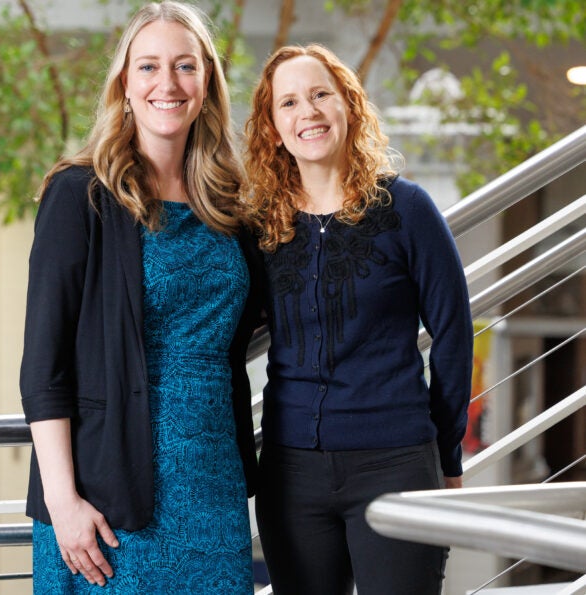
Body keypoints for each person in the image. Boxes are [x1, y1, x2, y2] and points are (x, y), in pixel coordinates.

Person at [19, 2, 263, 592]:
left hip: (213, 487)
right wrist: (63, 501)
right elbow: (43, 367)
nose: (167, 83)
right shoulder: (80, 196)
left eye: (185, 66)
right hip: (107, 495)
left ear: (206, 84)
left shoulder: (230, 207)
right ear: (124, 84)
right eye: (148, 66)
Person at [243, 43, 472, 595]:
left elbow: (454, 334)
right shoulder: (259, 229)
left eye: (321, 94)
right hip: (290, 471)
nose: (309, 112)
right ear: (273, 128)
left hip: (395, 464)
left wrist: (446, 453)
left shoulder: (407, 209)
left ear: (348, 105)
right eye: (290, 103)